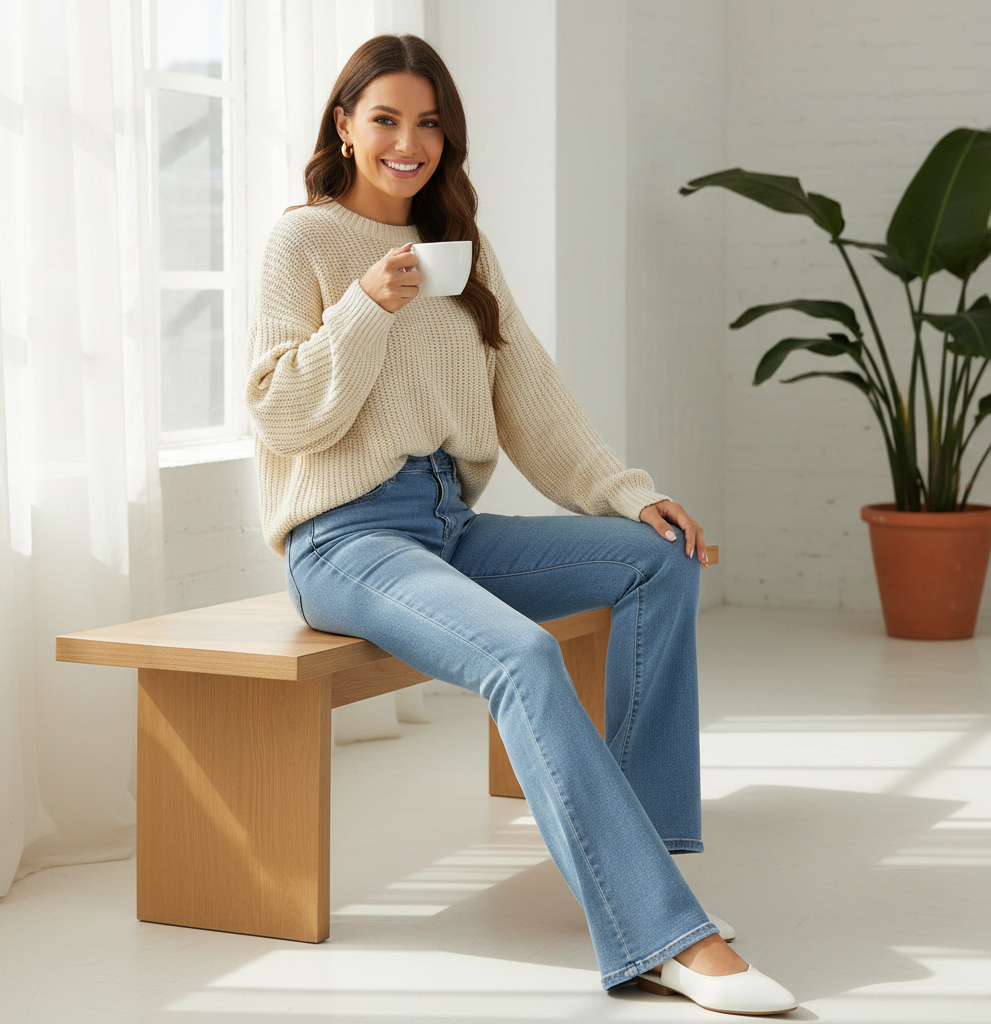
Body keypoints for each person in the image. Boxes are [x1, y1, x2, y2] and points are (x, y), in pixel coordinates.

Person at [246, 33, 796, 1016]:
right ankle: (665, 933)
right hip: (347, 538)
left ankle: (642, 856)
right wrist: (367, 308)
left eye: (428, 122)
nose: (407, 141)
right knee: (522, 658)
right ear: (343, 125)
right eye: (384, 119)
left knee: (655, 560)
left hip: (448, 524)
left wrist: (629, 491)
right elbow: (282, 414)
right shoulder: (306, 241)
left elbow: (528, 390)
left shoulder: (464, 248)